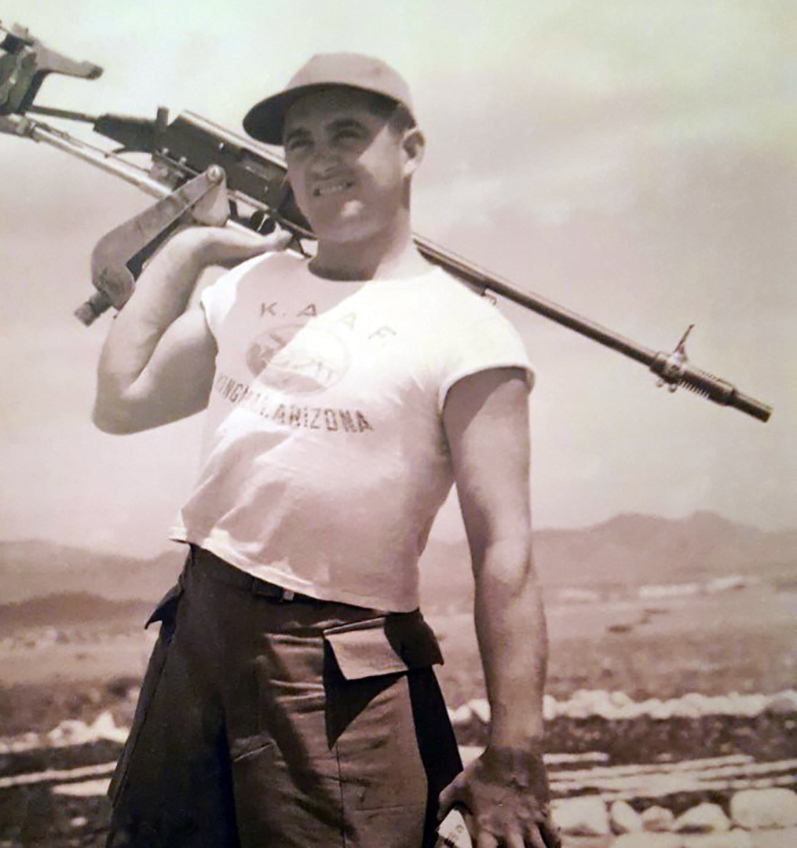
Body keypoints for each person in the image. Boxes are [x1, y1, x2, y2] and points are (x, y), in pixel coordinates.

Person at [96, 52, 559, 848]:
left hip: (338, 672)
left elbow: (505, 555)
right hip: (197, 629)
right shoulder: (250, 285)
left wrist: (514, 751)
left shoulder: (468, 331)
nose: (321, 159)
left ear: (409, 150)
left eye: (348, 133)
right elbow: (121, 403)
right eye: (301, 142)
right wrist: (187, 253)